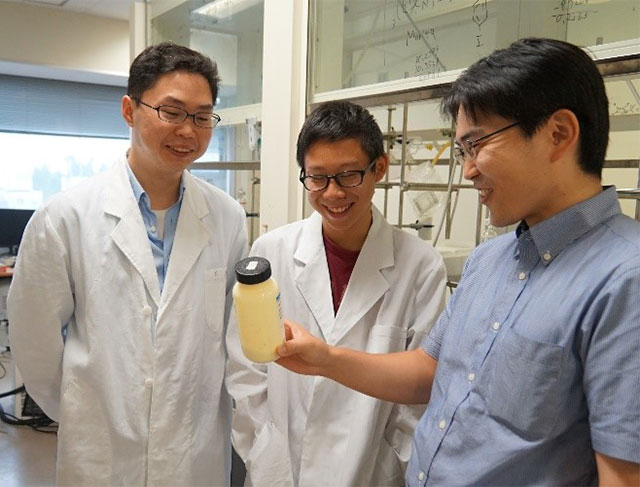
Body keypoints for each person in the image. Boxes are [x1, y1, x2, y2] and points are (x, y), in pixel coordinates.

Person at [275, 38, 640, 486]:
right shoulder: (491, 261)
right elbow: (428, 372)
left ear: (558, 134)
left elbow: (622, 475)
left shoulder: (625, 280)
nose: (468, 171)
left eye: (476, 145)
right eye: (462, 151)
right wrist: (324, 358)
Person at [8, 42, 248, 486]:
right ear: (129, 110)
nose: (188, 131)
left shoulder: (227, 218)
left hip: (194, 454)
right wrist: (90, 412)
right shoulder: (66, 216)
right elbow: (35, 346)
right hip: (102, 454)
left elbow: (230, 340)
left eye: (201, 116)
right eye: (171, 112)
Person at [225, 101, 447, 486]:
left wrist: (392, 464)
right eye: (317, 178)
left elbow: (420, 392)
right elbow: (246, 369)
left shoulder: (420, 266)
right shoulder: (271, 251)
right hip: (280, 468)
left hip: (370, 472)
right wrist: (264, 448)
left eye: (348, 176)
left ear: (379, 168)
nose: (332, 194)